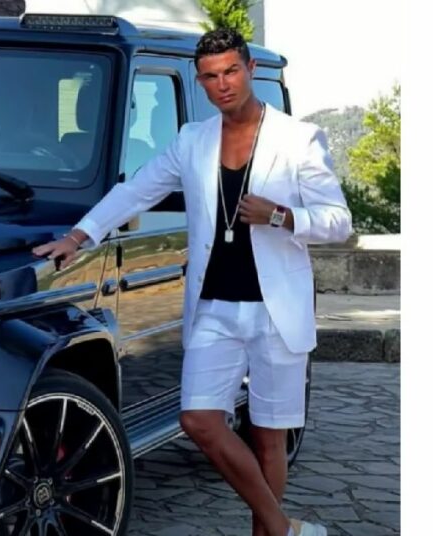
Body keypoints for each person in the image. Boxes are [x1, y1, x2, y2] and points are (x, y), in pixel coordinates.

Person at [32, 28, 352, 536]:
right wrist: (79, 235)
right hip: (213, 307)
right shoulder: (192, 141)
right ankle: (286, 528)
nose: (222, 84)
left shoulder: (298, 138)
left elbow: (339, 221)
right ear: (201, 83)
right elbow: (135, 191)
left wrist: (280, 216)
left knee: (269, 437)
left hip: (277, 310)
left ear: (248, 70)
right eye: (210, 76)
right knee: (199, 420)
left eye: (230, 71)